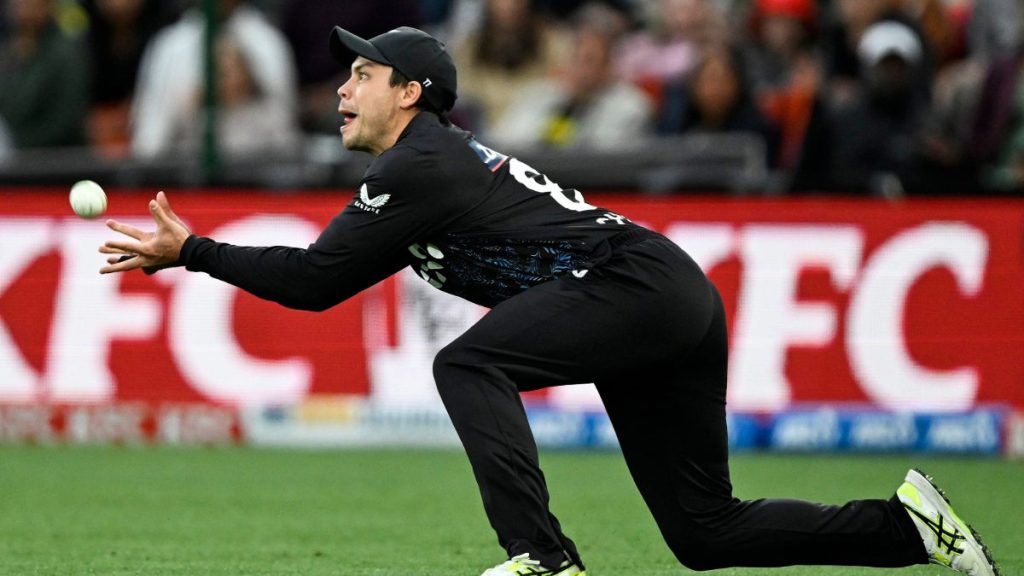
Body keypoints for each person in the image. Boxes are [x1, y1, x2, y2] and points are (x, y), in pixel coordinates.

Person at [98, 25, 1000, 576]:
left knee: (469, 362)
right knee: (706, 534)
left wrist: (194, 253)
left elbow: (309, 282)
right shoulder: (423, 168)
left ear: (410, 94)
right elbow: (322, 282)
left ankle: (542, 557)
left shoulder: (418, 163)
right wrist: (200, 254)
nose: (342, 87)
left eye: (363, 74)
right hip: (662, 292)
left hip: (635, 286)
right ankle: (910, 528)